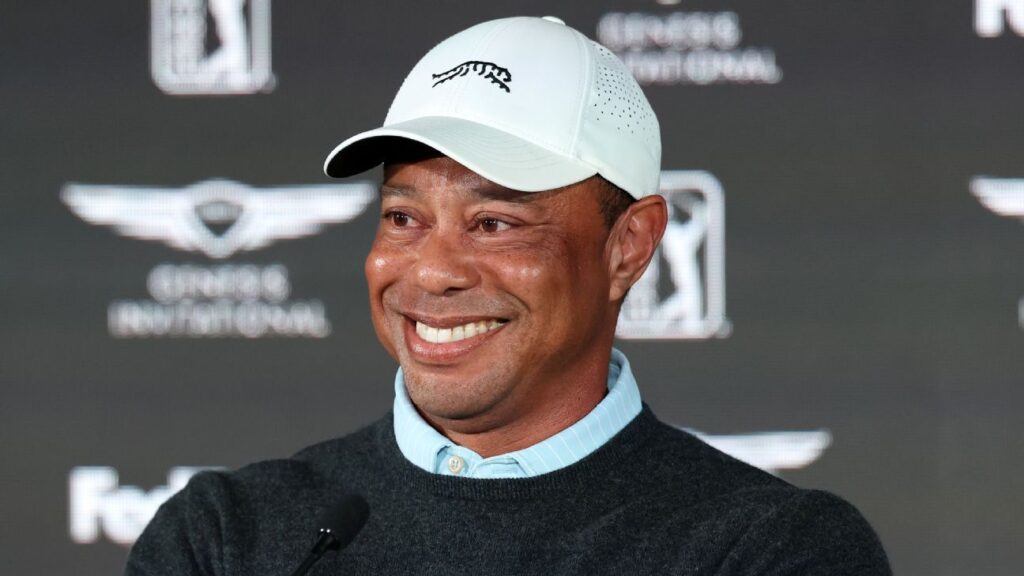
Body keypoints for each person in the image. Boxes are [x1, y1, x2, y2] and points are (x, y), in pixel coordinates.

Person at [126, 16, 891, 575]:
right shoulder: (229, 538)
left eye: (494, 222)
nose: (432, 271)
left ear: (628, 246)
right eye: (403, 217)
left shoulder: (770, 551)